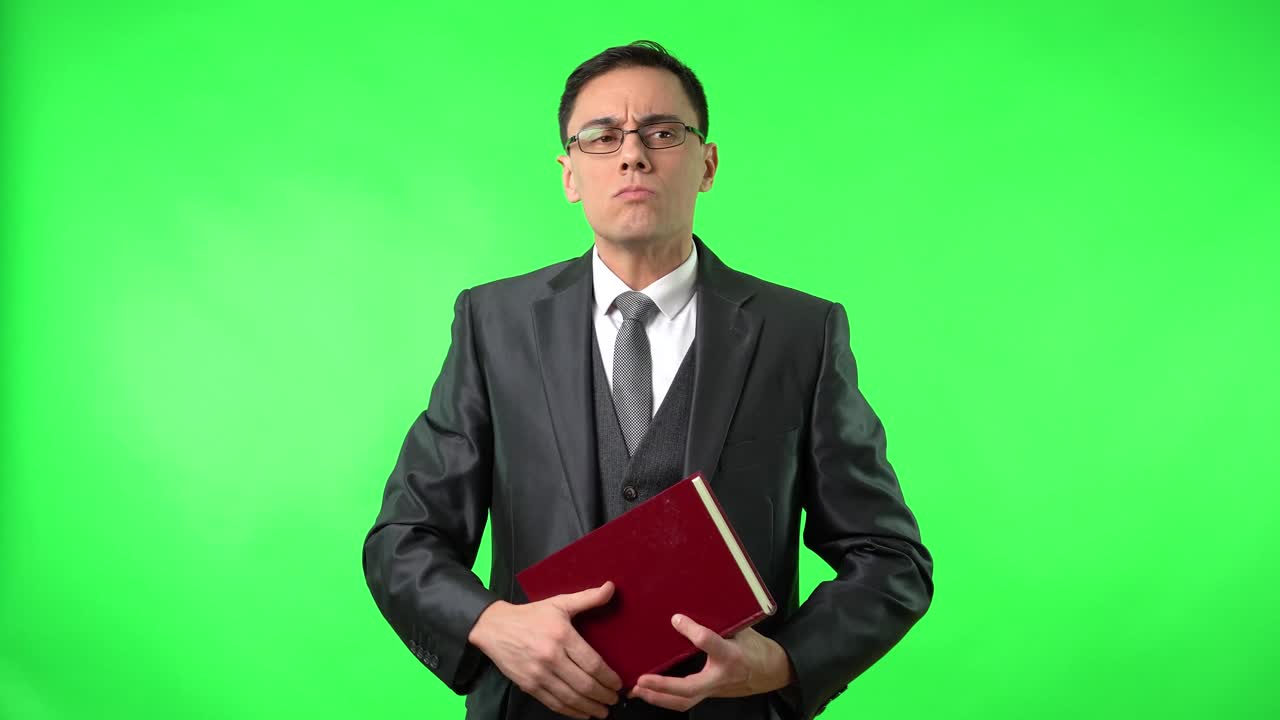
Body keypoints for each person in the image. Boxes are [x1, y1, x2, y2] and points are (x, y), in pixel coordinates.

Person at [362, 40, 933, 720]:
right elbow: (404, 538)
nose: (632, 154)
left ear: (707, 164)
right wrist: (492, 624)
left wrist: (783, 664)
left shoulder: (800, 334)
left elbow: (890, 558)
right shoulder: (493, 324)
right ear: (570, 174)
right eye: (602, 137)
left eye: (661, 133)